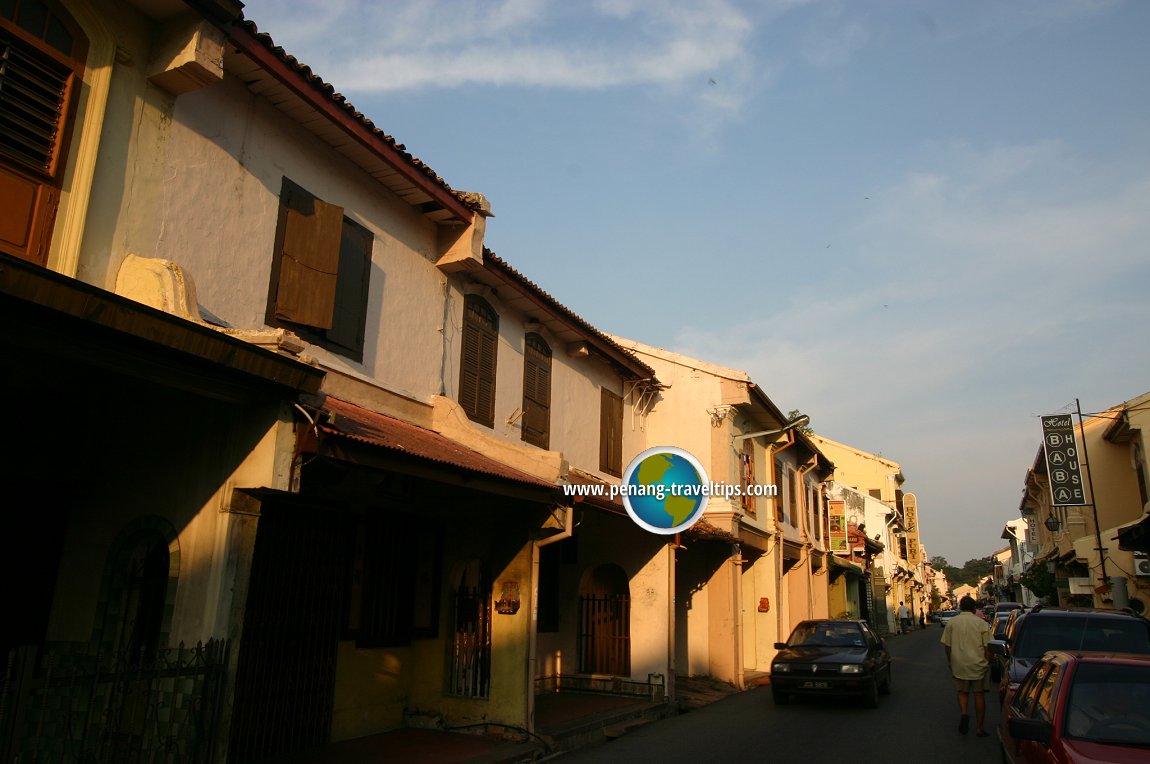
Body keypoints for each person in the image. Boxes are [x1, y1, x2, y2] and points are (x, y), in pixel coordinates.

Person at [941, 595, 992, 737]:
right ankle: (979, 728)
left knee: (962, 692)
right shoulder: (981, 623)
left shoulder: (952, 623)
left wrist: (950, 661)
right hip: (978, 664)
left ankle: (964, 712)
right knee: (979, 694)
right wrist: (988, 662)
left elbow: (947, 645)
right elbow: (988, 646)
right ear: (975, 608)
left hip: (959, 664)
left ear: (960, 607)